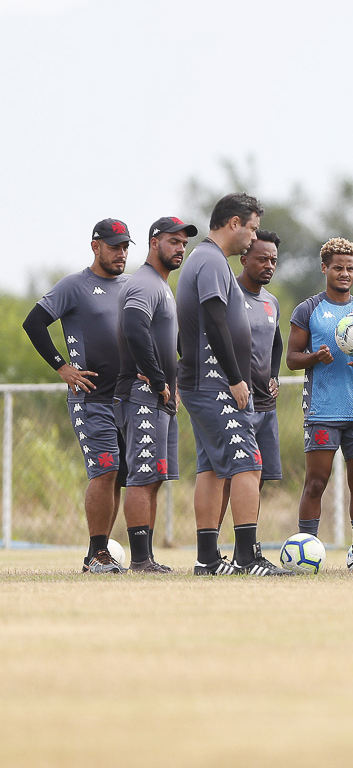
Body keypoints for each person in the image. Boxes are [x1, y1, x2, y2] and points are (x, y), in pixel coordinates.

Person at [180, 193, 287, 576]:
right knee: (248, 463)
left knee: (212, 469)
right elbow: (214, 320)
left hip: (205, 381)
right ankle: (247, 556)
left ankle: (207, 559)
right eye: (252, 228)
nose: (252, 237)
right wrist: (236, 378)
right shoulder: (209, 260)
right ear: (234, 224)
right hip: (215, 384)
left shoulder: (209, 260)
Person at [23, 219, 131, 573]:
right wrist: (61, 367)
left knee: (119, 475)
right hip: (92, 398)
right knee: (105, 471)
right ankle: (98, 553)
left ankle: (96, 554)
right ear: (95, 247)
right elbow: (34, 323)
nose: (121, 253)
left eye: (125, 246)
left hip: (128, 399)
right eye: (114, 246)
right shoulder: (75, 286)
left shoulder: (131, 286)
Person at [287, 238, 353, 572]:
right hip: (322, 411)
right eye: (338, 268)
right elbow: (291, 359)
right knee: (316, 483)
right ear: (324, 268)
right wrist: (315, 357)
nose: (345, 273)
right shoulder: (308, 309)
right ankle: (306, 553)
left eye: (350, 268)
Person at [115, 217, 193, 572]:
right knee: (142, 474)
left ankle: (147, 557)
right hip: (141, 393)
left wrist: (172, 385)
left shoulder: (163, 286)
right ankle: (139, 560)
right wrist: (160, 382)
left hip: (160, 397)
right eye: (173, 242)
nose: (179, 249)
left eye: (183, 244)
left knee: (156, 475)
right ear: (153, 243)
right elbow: (134, 327)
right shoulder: (144, 283)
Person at [235, 230, 284, 496]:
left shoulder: (271, 301)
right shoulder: (229, 294)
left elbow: (277, 343)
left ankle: (246, 536)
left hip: (266, 404)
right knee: (232, 476)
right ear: (244, 259)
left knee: (260, 476)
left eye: (273, 261)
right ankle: (213, 537)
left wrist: (274, 376)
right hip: (238, 402)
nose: (269, 266)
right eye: (262, 259)